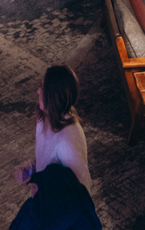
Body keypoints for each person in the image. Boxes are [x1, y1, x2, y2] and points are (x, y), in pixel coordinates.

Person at [12, 66, 99, 230]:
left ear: (54, 97)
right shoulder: (44, 120)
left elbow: (81, 190)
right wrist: (32, 169)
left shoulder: (68, 142)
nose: (38, 91)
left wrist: (49, 199)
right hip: (43, 205)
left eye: (43, 89)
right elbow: (49, 161)